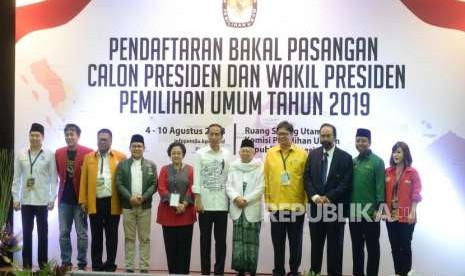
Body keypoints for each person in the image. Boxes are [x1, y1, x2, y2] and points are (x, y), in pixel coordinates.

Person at [303, 123, 353, 276]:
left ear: (335, 137)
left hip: (335, 209)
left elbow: (346, 183)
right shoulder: (312, 154)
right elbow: (306, 178)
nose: (324, 138)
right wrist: (315, 196)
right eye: (322, 135)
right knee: (316, 247)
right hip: (315, 208)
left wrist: (329, 197)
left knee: (335, 249)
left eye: (328, 135)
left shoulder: (345, 157)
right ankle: (315, 273)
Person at [79, 128, 126, 272]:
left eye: (105, 139)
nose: (102, 141)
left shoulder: (121, 157)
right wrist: (83, 201)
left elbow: (124, 180)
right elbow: (84, 180)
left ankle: (110, 265)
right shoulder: (89, 157)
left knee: (112, 237)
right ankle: (97, 266)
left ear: (111, 141)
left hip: (113, 202)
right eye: (100, 139)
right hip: (95, 202)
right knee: (96, 236)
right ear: (97, 140)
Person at [264, 121, 308, 276]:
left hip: (296, 207)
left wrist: (306, 204)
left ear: (292, 135)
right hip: (276, 207)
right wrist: (268, 201)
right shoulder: (270, 153)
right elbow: (266, 179)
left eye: (285, 133)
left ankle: (294, 271)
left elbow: (306, 180)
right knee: (278, 242)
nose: (282, 136)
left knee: (295, 243)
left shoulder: (302, 154)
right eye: (279, 134)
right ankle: (279, 270)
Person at [12, 123, 57, 269]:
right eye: (32, 135)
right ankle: (26, 266)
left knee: (43, 235)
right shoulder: (21, 154)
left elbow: (53, 179)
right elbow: (16, 178)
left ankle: (43, 267)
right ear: (29, 136)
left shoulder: (49, 154)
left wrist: (51, 199)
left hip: (42, 201)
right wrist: (16, 198)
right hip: (26, 201)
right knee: (26, 234)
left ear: (42, 137)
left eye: (37, 135)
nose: (34, 138)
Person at [193, 123, 231, 275]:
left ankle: (219, 272)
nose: (214, 137)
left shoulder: (227, 154)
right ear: (207, 135)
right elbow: (197, 177)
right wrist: (198, 199)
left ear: (222, 136)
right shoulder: (200, 153)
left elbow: (229, 178)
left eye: (217, 134)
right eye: (211, 134)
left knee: (221, 242)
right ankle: (205, 272)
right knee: (205, 241)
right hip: (205, 205)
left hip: (222, 205)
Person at [117, 134, 157, 273]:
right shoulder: (122, 164)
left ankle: (144, 267)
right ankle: (129, 266)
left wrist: (143, 198)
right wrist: (130, 198)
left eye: (139, 146)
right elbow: (119, 184)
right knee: (129, 238)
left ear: (144, 148)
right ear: (130, 148)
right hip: (128, 207)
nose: (137, 148)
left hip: (145, 207)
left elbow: (154, 185)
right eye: (134, 146)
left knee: (144, 238)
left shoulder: (151, 165)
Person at [55, 123, 92, 271]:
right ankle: (66, 262)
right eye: (67, 134)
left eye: (72, 134)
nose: (69, 137)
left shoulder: (88, 152)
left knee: (82, 233)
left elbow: (90, 177)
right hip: (64, 200)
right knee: (64, 232)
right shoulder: (58, 153)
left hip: (80, 201)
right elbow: (59, 173)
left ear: (78, 136)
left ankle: (82, 263)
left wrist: (86, 199)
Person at [349, 128, 385, 276]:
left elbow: (380, 187)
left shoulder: (377, 161)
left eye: (363, 141)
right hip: (354, 213)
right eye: (358, 140)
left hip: (371, 213)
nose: (360, 143)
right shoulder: (353, 162)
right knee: (357, 248)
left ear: (369, 142)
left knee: (373, 249)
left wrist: (380, 208)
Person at [157, 141, 196, 275]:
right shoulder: (164, 169)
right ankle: (172, 273)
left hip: (186, 215)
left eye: (179, 153)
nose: (176, 155)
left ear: (183, 154)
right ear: (170, 155)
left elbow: (192, 189)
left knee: (184, 249)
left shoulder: (190, 169)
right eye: (173, 153)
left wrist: (183, 204)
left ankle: (184, 273)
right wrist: (176, 204)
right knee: (171, 248)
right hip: (168, 214)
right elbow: (161, 188)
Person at [226, 138, 264, 276]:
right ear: (239, 152)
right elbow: (228, 185)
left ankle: (252, 270)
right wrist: (236, 197)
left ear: (254, 152)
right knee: (238, 241)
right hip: (237, 209)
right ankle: (240, 270)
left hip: (252, 208)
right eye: (243, 150)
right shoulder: (233, 166)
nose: (246, 153)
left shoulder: (259, 167)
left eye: (249, 150)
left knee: (252, 241)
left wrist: (246, 199)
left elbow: (261, 187)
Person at [385, 141, 422, 276]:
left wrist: (413, 211)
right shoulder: (387, 172)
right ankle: (398, 273)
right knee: (394, 247)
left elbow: (416, 194)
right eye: (394, 151)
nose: (396, 154)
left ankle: (405, 273)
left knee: (405, 247)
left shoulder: (412, 172)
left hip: (407, 215)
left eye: (399, 152)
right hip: (390, 216)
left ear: (405, 154)